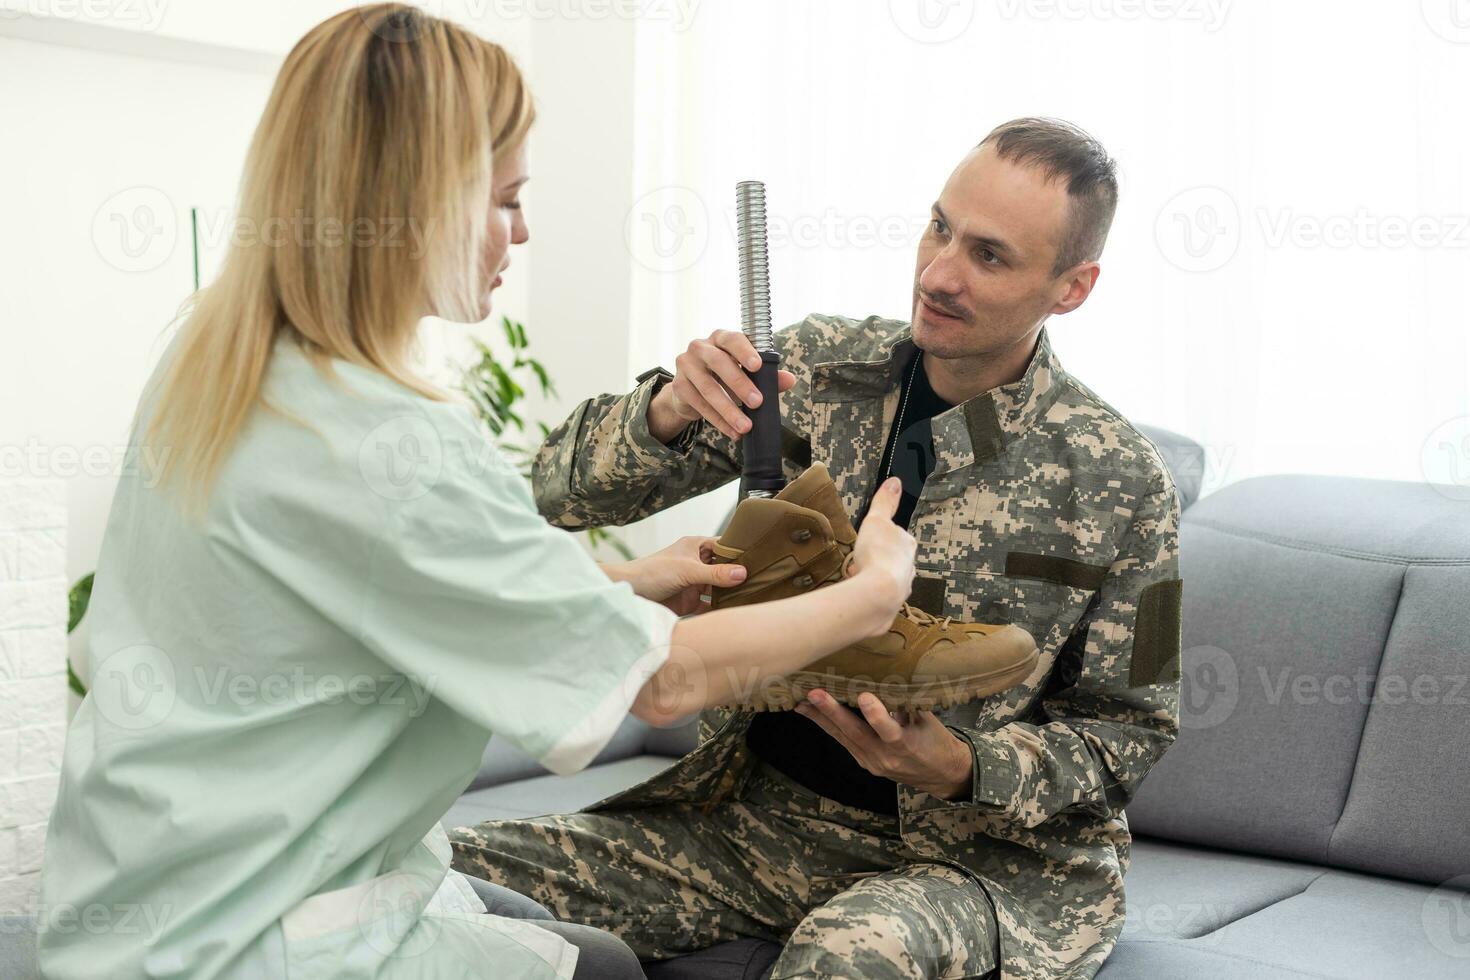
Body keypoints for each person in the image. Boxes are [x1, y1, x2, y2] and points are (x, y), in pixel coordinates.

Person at [34, 6, 919, 979]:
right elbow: (659, 682)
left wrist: (621, 588)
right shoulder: (392, 436)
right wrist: (868, 596)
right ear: (417, 203)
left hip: (131, 906)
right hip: (252, 938)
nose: (524, 230)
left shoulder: (216, 355)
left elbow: (365, 588)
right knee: (609, 965)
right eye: (506, 198)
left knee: (550, 925)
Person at [450, 119, 1184, 980]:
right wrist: (667, 413)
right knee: (431, 872)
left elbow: (1132, 729)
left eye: (990, 256)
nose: (939, 273)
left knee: (848, 952)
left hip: (973, 865)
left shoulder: (1126, 484)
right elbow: (554, 490)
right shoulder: (812, 371)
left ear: (1073, 286)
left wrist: (959, 766)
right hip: (743, 822)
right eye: (940, 227)